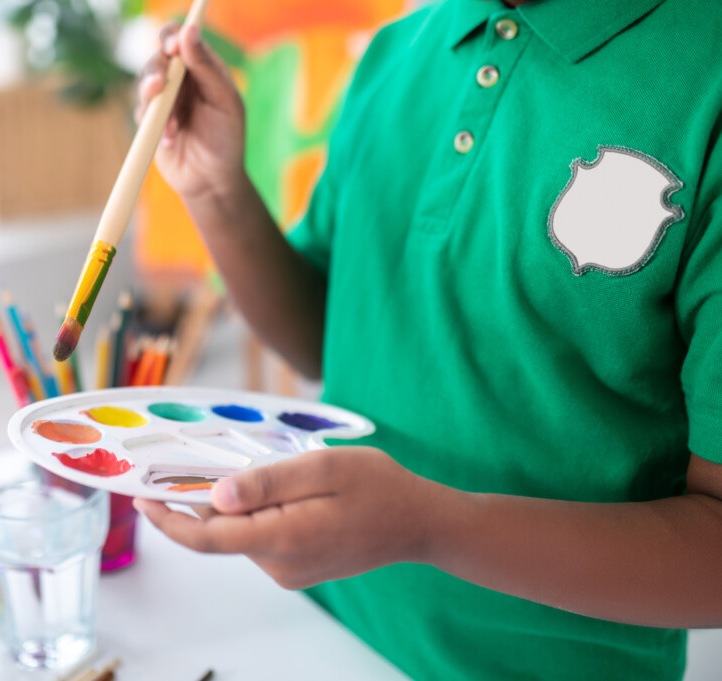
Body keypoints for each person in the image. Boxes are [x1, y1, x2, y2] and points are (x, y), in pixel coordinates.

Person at [131, 0, 722, 679]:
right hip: (330, 631)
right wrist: (215, 190)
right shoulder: (396, 53)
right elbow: (325, 338)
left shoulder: (706, 83)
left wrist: (429, 526)